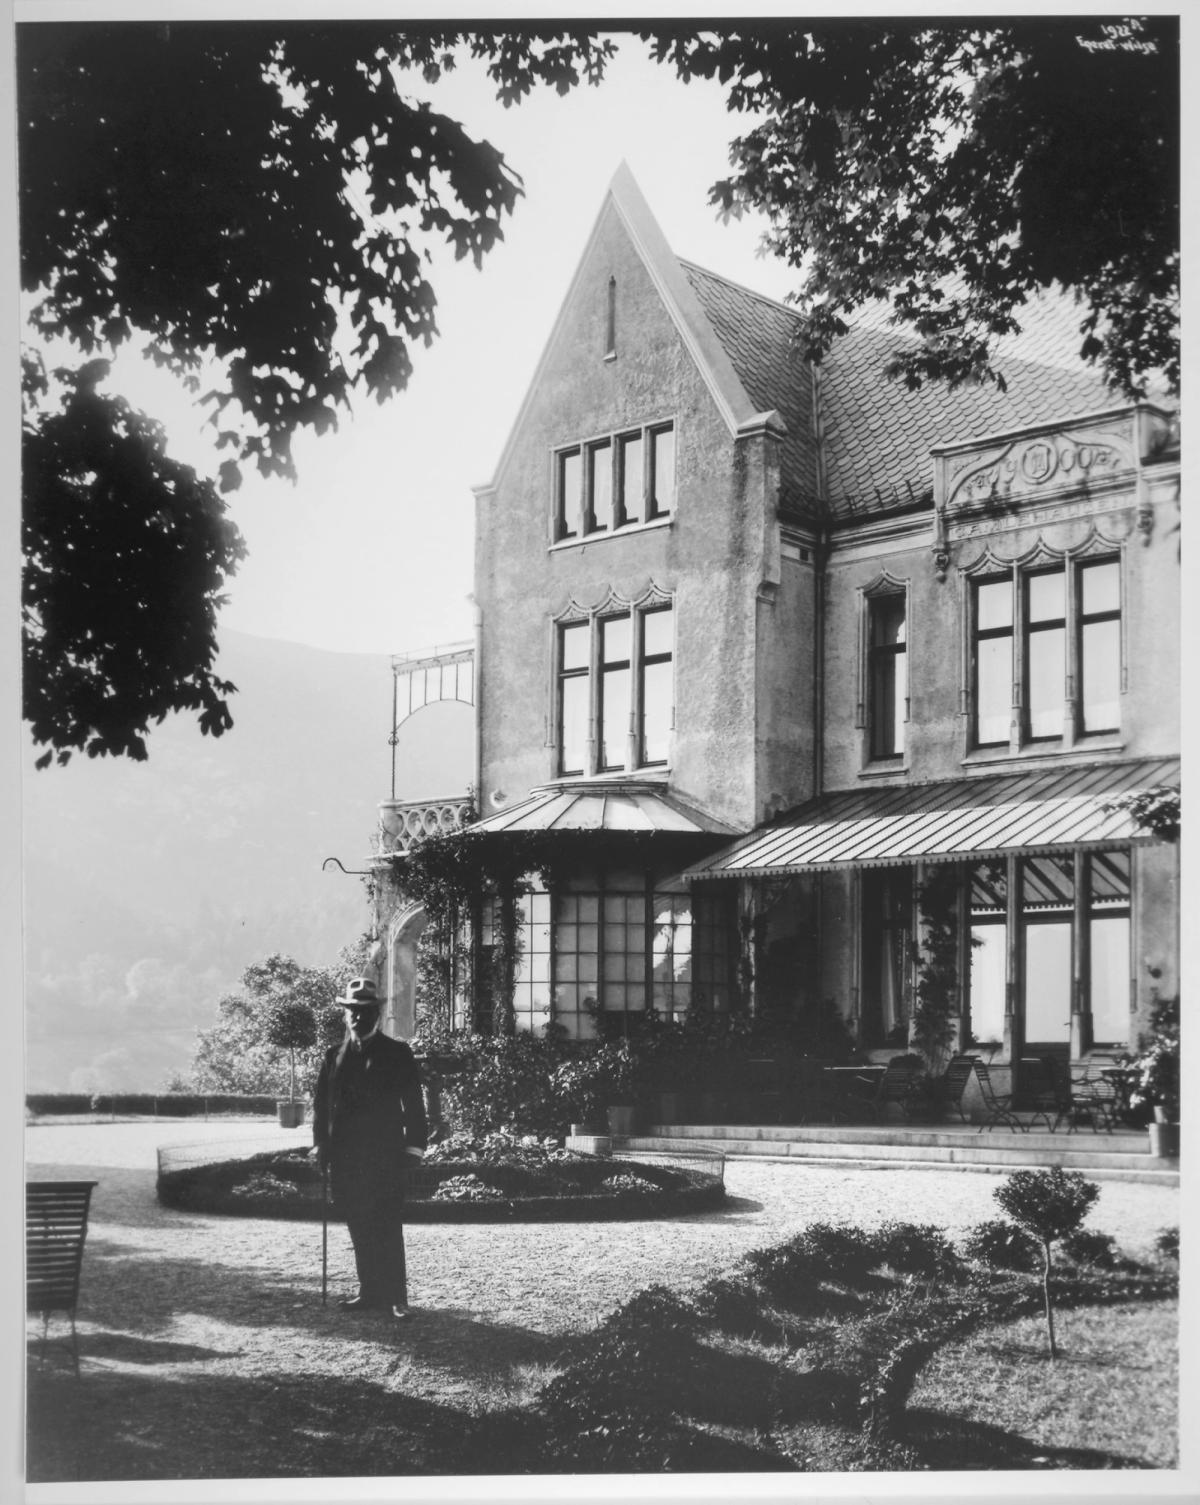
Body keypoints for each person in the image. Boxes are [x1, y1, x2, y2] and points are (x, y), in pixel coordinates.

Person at [313, 977, 428, 1319]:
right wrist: (320, 1145)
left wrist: (414, 1148)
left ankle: (396, 1298)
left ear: (377, 1014)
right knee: (359, 1225)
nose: (358, 1018)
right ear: (344, 1015)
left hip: (385, 1157)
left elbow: (415, 1106)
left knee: (387, 1225)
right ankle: (370, 1292)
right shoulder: (333, 1056)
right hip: (345, 1159)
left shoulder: (397, 1053)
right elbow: (321, 1106)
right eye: (353, 1011)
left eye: (365, 1012)